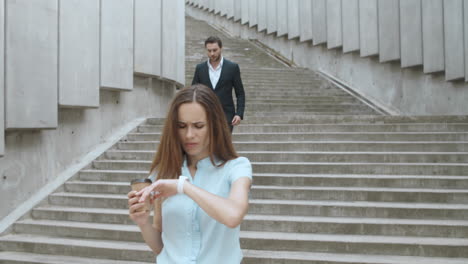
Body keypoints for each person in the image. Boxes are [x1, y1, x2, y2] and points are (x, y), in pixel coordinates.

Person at [127, 84, 253, 264]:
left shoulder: (237, 168)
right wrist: (143, 222)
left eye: (198, 126)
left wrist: (183, 187)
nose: (189, 134)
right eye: (181, 126)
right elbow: (162, 248)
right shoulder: (163, 172)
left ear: (214, 125)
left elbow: (233, 215)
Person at [192, 36, 246, 132]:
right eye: (209, 51)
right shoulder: (200, 68)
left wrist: (239, 114)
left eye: (215, 50)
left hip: (226, 116)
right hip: (204, 116)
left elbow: (240, 93)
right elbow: (193, 92)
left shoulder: (232, 67)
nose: (212, 53)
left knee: (223, 146)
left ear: (221, 48)